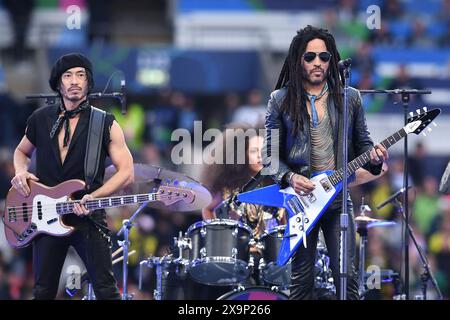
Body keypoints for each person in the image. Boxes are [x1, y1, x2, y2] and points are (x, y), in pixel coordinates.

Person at [262, 26, 388, 300]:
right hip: (301, 199)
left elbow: (364, 143)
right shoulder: (280, 100)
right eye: (310, 57)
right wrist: (291, 178)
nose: (318, 62)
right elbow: (269, 157)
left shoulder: (350, 97)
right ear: (298, 60)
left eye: (324, 56)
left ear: (332, 60)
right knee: (301, 279)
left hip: (338, 199)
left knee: (348, 276)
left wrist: (375, 160)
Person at [10, 53, 134, 299]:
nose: (74, 81)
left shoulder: (105, 122)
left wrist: (93, 197)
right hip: (46, 215)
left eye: (80, 75)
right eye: (68, 76)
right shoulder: (40, 119)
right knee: (43, 291)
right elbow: (21, 151)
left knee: (106, 290)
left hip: (87, 215)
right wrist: (21, 172)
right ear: (59, 84)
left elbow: (127, 172)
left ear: (88, 82)